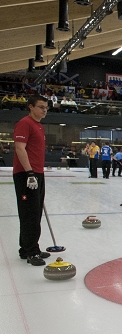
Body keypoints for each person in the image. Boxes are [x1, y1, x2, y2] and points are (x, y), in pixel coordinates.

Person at [13, 95, 52, 266]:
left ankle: (27, 248)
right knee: (29, 213)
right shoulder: (25, 123)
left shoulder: (39, 126)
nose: (45, 110)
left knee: (35, 213)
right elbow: (20, 148)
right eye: (41, 107)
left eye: (46, 107)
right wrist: (29, 173)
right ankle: (31, 252)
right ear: (31, 107)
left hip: (37, 173)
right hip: (26, 174)